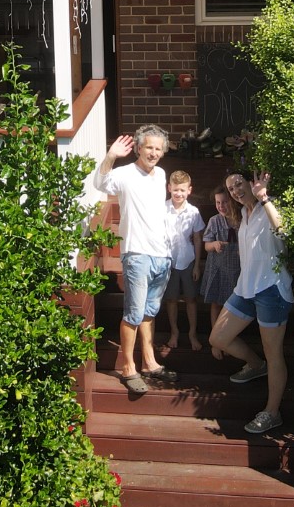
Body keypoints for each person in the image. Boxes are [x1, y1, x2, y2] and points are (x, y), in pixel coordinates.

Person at [208, 171, 293, 434]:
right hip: (245, 288)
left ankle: (272, 412)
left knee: (274, 353)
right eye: (230, 188)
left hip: (271, 290)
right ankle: (256, 366)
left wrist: (264, 198)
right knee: (218, 338)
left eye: (238, 184)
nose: (235, 190)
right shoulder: (244, 215)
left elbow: (284, 231)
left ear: (250, 183)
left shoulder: (268, 206)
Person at [96, 127, 178, 395]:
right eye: (149, 147)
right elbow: (100, 183)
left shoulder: (162, 175)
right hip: (137, 253)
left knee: (149, 312)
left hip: (161, 254)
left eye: (158, 148)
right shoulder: (124, 174)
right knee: (133, 313)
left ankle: (150, 362)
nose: (153, 152)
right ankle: (129, 367)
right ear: (139, 148)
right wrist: (110, 156)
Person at [159, 170, 205, 355]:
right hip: (168, 261)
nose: (179, 194)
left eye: (182, 190)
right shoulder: (162, 208)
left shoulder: (193, 212)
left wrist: (196, 265)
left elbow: (197, 238)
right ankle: (174, 332)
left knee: (191, 299)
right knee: (170, 299)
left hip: (187, 260)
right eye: (175, 189)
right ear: (169, 188)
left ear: (189, 190)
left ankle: (192, 333)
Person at [198, 180, 242, 360]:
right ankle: (215, 342)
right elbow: (206, 245)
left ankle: (230, 338)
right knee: (216, 303)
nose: (221, 206)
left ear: (232, 201)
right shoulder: (214, 221)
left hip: (237, 269)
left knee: (233, 307)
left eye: (224, 202)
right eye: (217, 203)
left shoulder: (241, 218)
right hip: (218, 268)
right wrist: (214, 244)